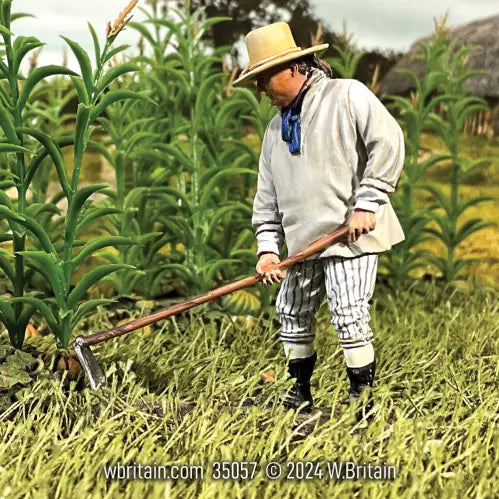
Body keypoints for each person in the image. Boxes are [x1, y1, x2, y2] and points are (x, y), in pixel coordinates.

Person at [233, 22, 405, 419]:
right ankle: (299, 392)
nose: (262, 90)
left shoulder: (347, 96)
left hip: (351, 236)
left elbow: (388, 141)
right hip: (302, 244)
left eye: (264, 79)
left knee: (348, 313)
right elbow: (267, 198)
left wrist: (370, 202)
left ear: (293, 67)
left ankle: (362, 401)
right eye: (256, 82)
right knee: (292, 311)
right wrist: (266, 250)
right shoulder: (274, 130)